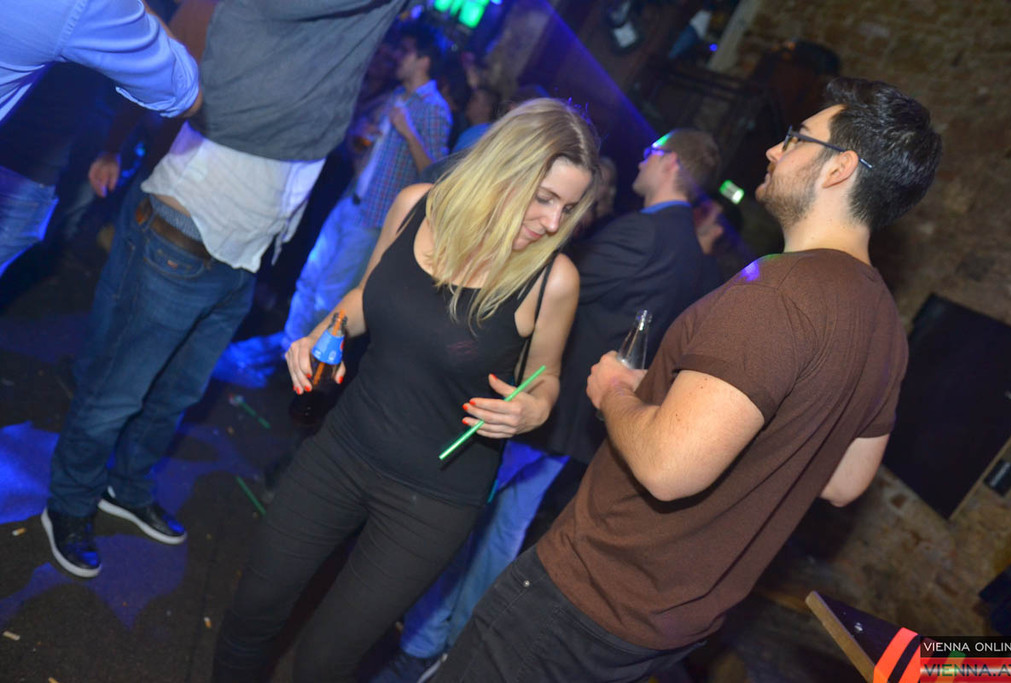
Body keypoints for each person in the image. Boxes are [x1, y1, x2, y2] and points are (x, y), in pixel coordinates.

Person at [433, 76, 942, 682]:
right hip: (671, 627)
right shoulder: (884, 325)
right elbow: (843, 481)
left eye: (796, 138)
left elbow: (668, 468)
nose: (774, 150)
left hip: (591, 595)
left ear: (839, 169)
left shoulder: (778, 291)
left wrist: (616, 391)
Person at [212, 98, 600, 683]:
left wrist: (531, 411)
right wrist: (321, 334)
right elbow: (366, 297)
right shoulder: (417, 206)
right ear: (502, 168)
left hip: (432, 502)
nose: (552, 223)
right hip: (341, 450)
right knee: (251, 611)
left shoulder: (553, 279)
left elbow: (546, 378)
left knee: (323, 660)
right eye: (544, 198)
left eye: (567, 209)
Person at [41, 0, 410, 580]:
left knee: (177, 394)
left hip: (244, 257)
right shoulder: (261, 21)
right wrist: (114, 145)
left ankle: (126, 485)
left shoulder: (324, 59)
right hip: (181, 236)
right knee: (118, 390)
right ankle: (68, 500)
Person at [374, 128, 722, 683]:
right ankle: (458, 646)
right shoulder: (691, 252)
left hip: (541, 406)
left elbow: (551, 286)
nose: (642, 157)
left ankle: (422, 643)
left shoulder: (644, 232)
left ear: (671, 164)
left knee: (460, 518)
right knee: (504, 531)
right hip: (577, 424)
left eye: (652, 151)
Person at [282, 20, 453, 348]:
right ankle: (287, 350)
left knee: (329, 295)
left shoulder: (435, 110)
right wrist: (361, 138)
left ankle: (309, 361)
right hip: (352, 200)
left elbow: (437, 176)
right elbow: (364, 149)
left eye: (407, 51)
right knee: (308, 279)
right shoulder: (396, 95)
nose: (398, 56)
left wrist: (409, 132)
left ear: (424, 60)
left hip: (376, 218)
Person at [0, 0, 200, 277]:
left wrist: (111, 149)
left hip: (39, 153)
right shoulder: (91, 7)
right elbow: (185, 92)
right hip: (27, 170)